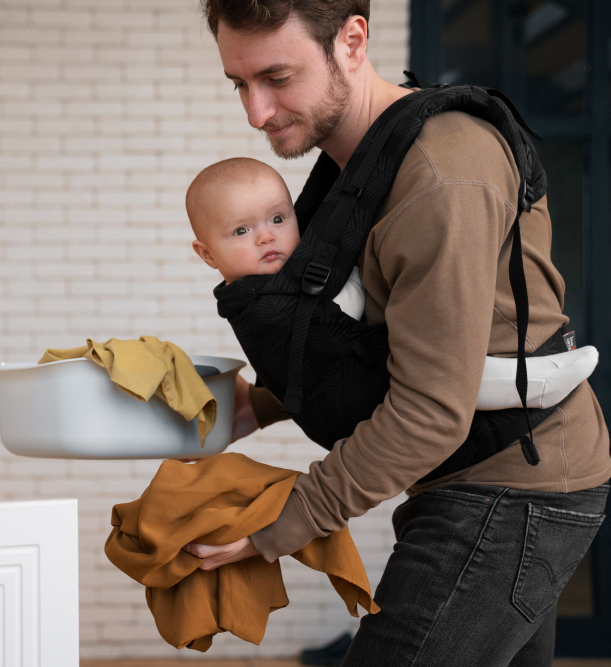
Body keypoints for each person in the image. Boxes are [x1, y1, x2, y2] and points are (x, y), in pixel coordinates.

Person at [179, 2, 611, 664]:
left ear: (352, 40)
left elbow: (432, 406)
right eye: (240, 84)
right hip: (479, 475)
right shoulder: (362, 165)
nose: (255, 113)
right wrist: (250, 406)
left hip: (514, 481)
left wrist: (287, 517)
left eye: (277, 77)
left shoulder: (439, 173)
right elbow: (380, 334)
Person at [185, 155, 596, 415]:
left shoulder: (278, 275)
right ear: (207, 255)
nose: (266, 237)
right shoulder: (253, 304)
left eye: (278, 219)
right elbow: (329, 319)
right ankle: (534, 384)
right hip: (369, 396)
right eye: (241, 230)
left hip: (358, 367)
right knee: (448, 380)